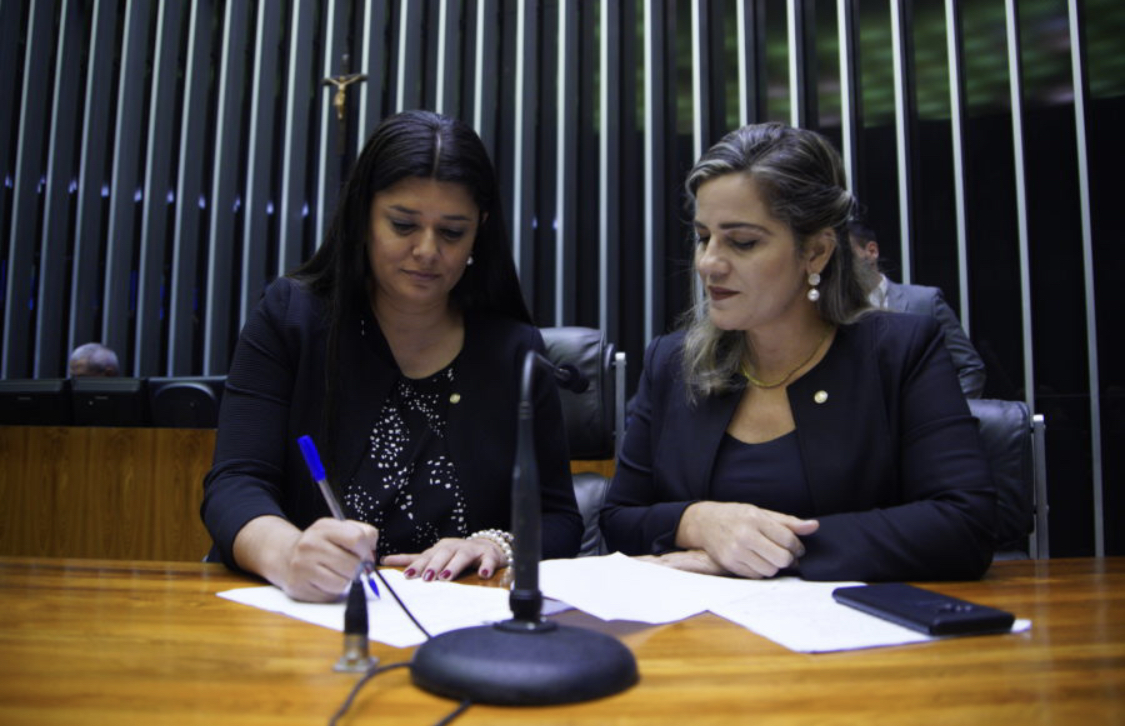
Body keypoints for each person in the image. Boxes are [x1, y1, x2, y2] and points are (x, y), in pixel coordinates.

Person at [201, 110, 582, 602]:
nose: (426, 251)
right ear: (363, 216)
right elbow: (235, 482)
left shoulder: (514, 351)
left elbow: (559, 518)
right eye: (403, 225)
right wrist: (288, 553)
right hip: (308, 610)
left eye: (452, 232)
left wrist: (495, 543)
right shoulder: (292, 318)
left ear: (479, 231)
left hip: (456, 617)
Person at [601, 123, 996, 582]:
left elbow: (964, 525)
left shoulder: (901, 351)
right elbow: (619, 520)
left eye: (742, 242)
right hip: (698, 625)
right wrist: (699, 521)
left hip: (851, 623)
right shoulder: (671, 361)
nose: (709, 263)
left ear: (816, 252)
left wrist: (765, 551)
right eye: (703, 237)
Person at [848, 219, 986, 398]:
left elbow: (970, 368)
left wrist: (943, 409)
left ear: (871, 251)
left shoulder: (925, 301)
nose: (839, 266)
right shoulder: (831, 311)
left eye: (846, 255)